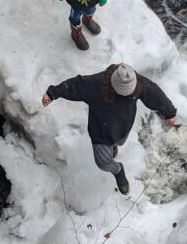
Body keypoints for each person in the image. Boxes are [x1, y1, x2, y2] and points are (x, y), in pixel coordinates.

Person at [41, 63, 177, 194]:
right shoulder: (96, 84)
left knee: (118, 143)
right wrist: (52, 93)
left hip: (122, 127)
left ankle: (112, 149)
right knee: (103, 163)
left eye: (128, 93)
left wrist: (169, 113)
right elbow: (75, 86)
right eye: (122, 93)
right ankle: (118, 171)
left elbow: (156, 95)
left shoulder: (138, 83)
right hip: (101, 132)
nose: (125, 96)